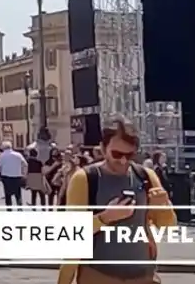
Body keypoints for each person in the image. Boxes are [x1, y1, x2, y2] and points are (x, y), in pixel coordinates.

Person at [58, 117, 175, 284]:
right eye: (117, 154)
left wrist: (163, 207)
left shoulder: (145, 176)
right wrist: (105, 218)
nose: (123, 161)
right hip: (99, 276)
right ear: (103, 148)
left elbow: (167, 226)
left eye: (130, 155)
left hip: (143, 276)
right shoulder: (85, 178)